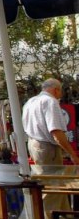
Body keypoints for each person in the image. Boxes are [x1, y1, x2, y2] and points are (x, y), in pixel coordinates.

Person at [22, 78, 79, 218]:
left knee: (56, 185)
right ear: (56, 90)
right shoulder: (50, 101)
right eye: (60, 91)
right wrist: (72, 154)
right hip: (46, 147)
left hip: (35, 144)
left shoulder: (31, 101)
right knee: (52, 188)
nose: (61, 94)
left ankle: (67, 215)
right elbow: (56, 132)